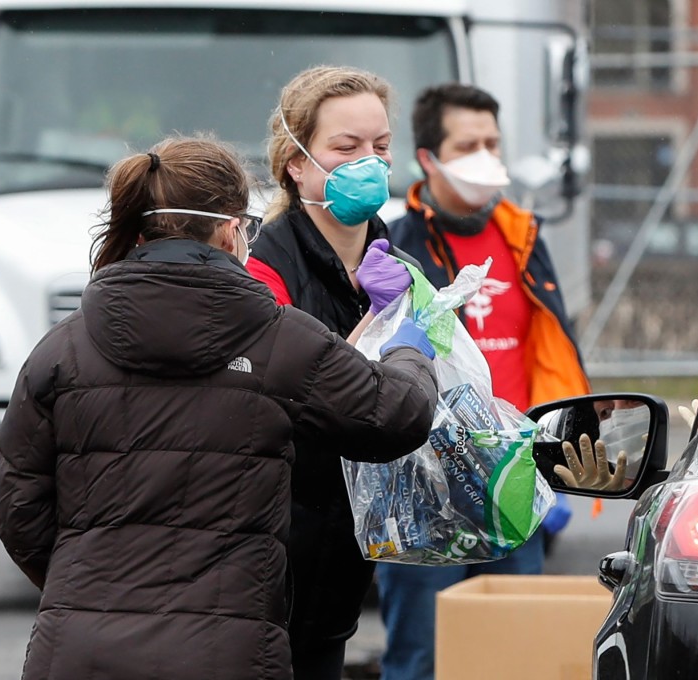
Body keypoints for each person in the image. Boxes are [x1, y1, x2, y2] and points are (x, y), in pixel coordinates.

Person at [0, 136, 439, 680]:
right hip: (228, 651)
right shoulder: (279, 338)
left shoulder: (62, 347)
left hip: (79, 650)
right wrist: (409, 345)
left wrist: (83, 585)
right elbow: (397, 414)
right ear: (230, 228)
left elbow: (17, 500)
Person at [379, 82, 592, 680]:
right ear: (429, 158)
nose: (485, 155)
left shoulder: (523, 237)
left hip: (512, 482)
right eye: (468, 143)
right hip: (425, 489)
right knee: (422, 657)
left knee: (512, 658)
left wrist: (560, 451)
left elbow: (548, 349)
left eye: (492, 142)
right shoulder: (395, 247)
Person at [245, 66, 417, 680]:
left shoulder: (392, 258)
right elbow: (296, 394)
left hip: (343, 553)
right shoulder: (265, 267)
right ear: (295, 162)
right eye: (345, 148)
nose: (367, 162)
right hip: (271, 553)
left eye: (380, 147)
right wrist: (376, 325)